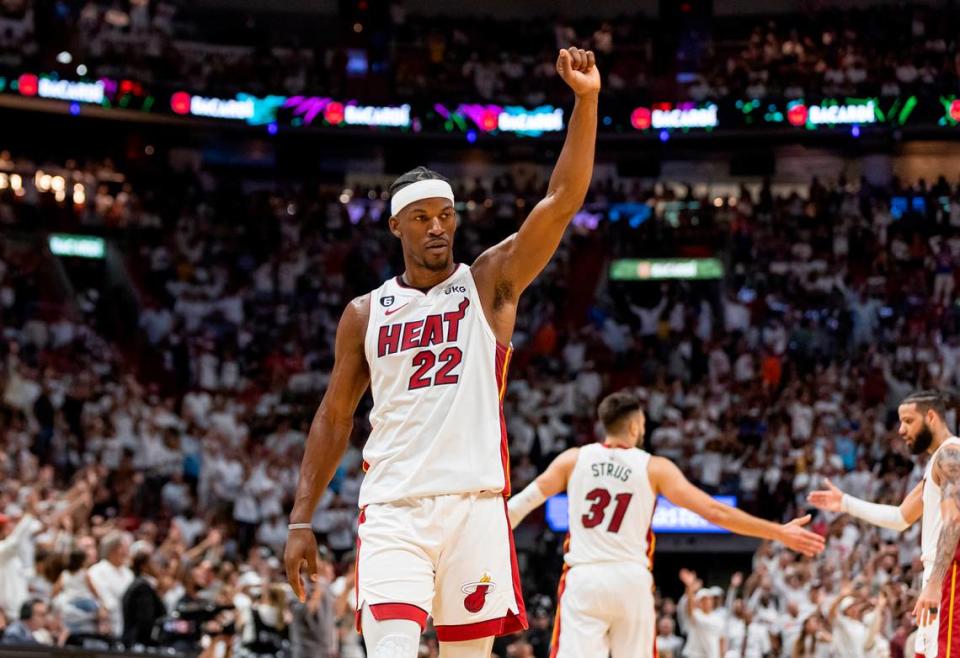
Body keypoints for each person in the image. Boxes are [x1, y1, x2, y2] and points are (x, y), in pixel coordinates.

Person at [284, 46, 601, 658]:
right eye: (423, 217)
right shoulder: (364, 313)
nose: (437, 227)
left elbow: (561, 200)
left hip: (476, 508)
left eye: (447, 215)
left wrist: (585, 102)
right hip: (394, 509)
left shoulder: (489, 283)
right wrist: (301, 518)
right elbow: (333, 416)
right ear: (396, 227)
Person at [507, 391, 825, 657]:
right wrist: (777, 531)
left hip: (585, 577)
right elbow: (717, 513)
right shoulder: (654, 467)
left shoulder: (572, 459)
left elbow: (518, 507)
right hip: (631, 578)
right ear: (634, 427)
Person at [807, 390, 958, 658]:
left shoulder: (951, 454)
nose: (901, 430)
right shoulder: (939, 461)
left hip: (950, 576)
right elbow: (900, 518)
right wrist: (846, 503)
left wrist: (935, 583)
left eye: (909, 421)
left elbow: (954, 519)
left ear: (931, 417)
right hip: (940, 575)